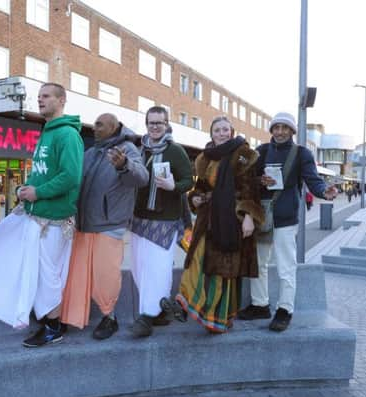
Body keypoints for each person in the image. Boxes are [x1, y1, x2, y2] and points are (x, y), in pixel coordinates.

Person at [0, 82, 84, 347]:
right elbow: (42, 173)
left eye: (46, 96)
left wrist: (37, 193)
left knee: (48, 275)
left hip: (53, 220)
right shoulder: (47, 132)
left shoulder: (66, 135)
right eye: (38, 96)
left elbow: (71, 176)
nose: (39, 100)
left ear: (61, 100)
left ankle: (53, 326)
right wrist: (25, 188)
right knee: (0, 239)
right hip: (36, 215)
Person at [238, 112, 337, 332]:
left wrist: (324, 192)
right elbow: (246, 180)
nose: (280, 131)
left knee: (286, 266)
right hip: (263, 216)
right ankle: (260, 304)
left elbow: (312, 180)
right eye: (276, 127)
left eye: (285, 128)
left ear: (292, 131)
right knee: (259, 264)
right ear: (271, 130)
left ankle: (285, 310)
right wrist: (259, 180)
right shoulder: (261, 151)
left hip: (286, 218)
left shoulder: (302, 154)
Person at [170, 116, 263, 333]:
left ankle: (217, 318)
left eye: (225, 129)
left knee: (223, 269)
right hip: (207, 219)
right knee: (196, 260)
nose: (221, 133)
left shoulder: (243, 155)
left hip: (231, 220)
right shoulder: (204, 158)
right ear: (211, 134)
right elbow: (200, 187)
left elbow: (251, 189)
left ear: (231, 132)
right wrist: (196, 198)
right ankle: (185, 302)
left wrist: (249, 216)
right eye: (217, 130)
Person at [60, 113, 148, 340]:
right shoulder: (91, 152)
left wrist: (124, 165)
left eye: (99, 124)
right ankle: (72, 316)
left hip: (109, 224)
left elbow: (141, 177)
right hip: (84, 223)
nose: (94, 128)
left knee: (105, 276)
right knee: (78, 273)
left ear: (113, 126)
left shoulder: (128, 149)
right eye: (95, 123)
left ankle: (110, 318)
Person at [129, 106, 193, 337]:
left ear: (167, 125)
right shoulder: (139, 150)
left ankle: (146, 317)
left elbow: (188, 180)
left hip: (165, 221)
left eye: (159, 122)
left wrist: (174, 186)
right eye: (151, 122)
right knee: (138, 268)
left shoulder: (176, 151)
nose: (155, 126)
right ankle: (161, 311)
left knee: (157, 270)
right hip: (139, 220)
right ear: (146, 124)